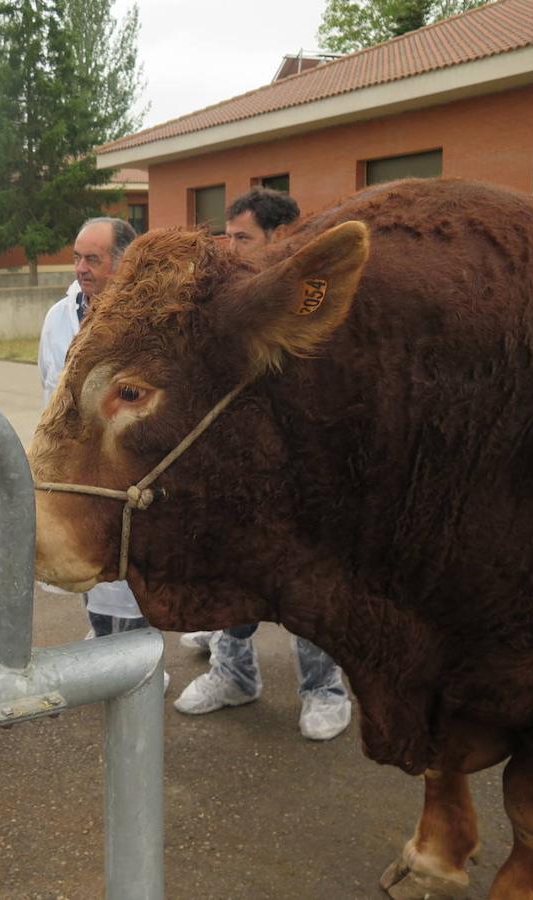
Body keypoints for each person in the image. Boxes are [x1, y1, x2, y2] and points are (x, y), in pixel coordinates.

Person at [175, 187, 352, 742]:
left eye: (242, 238)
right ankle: (234, 673)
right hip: (242, 464)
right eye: (226, 238)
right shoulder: (234, 292)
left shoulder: (318, 296)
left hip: (305, 469)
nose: (230, 250)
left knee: (304, 580)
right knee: (235, 565)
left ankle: (324, 690)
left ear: (281, 236)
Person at [38, 217, 151, 638]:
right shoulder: (58, 317)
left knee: (133, 572)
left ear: (121, 264)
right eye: (76, 257)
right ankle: (102, 645)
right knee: (87, 560)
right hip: (79, 472)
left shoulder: (147, 320)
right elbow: (47, 388)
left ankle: (143, 670)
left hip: (127, 472)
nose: (81, 268)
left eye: (93, 259)